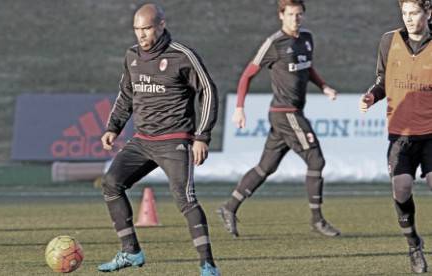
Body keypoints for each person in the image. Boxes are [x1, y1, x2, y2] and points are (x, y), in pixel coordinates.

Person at [98, 3, 220, 275]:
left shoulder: (182, 55)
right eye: (137, 29)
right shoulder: (131, 56)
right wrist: (113, 127)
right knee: (111, 183)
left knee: (184, 199)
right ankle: (131, 252)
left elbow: (209, 92)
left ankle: (207, 265)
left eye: (147, 28)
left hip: (174, 140)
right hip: (142, 141)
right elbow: (126, 95)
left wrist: (202, 136)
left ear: (161, 25)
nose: (141, 35)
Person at [217, 0, 341, 238]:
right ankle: (317, 220)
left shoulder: (306, 38)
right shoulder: (274, 44)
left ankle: (229, 207)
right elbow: (247, 75)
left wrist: (324, 86)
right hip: (285, 113)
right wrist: (239, 108)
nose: (296, 19)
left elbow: (308, 67)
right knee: (316, 160)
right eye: (291, 14)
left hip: (290, 113)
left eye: (299, 14)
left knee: (266, 167)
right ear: (281, 16)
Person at [359, 0, 432, 273]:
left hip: (431, 134)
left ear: (428, 12)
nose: (409, 19)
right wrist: (371, 96)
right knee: (401, 187)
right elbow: (382, 81)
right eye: (405, 13)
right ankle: (414, 244)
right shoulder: (389, 41)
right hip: (400, 134)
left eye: (414, 13)